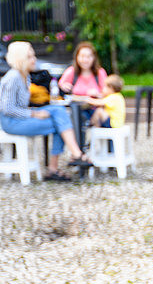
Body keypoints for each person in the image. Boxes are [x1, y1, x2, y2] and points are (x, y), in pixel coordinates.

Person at [0, 41, 91, 181]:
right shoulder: (13, 77)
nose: (34, 59)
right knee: (59, 124)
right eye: (30, 57)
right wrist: (34, 113)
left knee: (58, 111)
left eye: (33, 56)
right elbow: (7, 109)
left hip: (21, 118)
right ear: (21, 59)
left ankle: (73, 155)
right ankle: (64, 162)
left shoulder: (26, 76)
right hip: (11, 122)